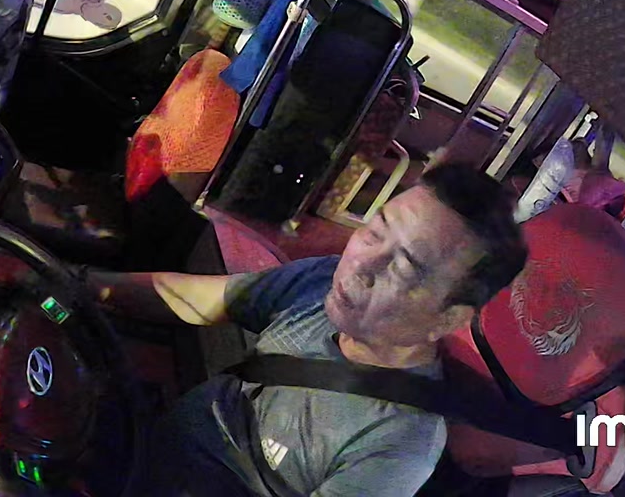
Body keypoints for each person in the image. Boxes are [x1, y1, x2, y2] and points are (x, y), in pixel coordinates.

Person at [81, 163, 528, 496]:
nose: (361, 264)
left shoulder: (398, 445)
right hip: (138, 449)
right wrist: (80, 283)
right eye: (375, 232)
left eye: (404, 268)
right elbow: (200, 299)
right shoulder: (321, 282)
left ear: (447, 318)